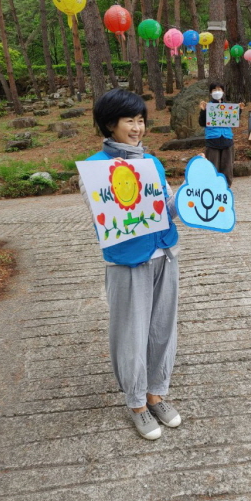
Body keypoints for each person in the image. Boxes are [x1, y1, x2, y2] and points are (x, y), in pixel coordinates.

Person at [80, 89, 181, 440]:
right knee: (131, 336)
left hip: (163, 257)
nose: (137, 128)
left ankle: (157, 394)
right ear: (110, 124)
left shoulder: (150, 162)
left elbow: (164, 207)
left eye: (141, 121)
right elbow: (105, 218)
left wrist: (182, 201)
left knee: (162, 330)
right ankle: (137, 403)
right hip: (126, 263)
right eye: (129, 121)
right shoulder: (95, 168)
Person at [198, 82, 245, 187]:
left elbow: (232, 120)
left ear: (223, 92)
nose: (217, 92)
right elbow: (202, 122)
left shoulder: (229, 107)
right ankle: (212, 188)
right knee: (212, 167)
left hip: (227, 139)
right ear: (210, 92)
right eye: (214, 90)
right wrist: (203, 111)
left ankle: (226, 188)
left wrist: (239, 110)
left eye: (219, 89)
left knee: (227, 167)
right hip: (212, 140)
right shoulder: (207, 107)